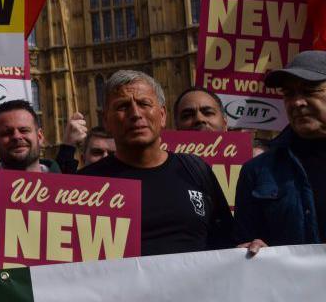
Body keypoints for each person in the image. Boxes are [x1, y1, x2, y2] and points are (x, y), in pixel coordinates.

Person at [81, 70, 235, 256]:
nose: (135, 114)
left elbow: (227, 243)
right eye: (122, 106)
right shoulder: (84, 187)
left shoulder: (196, 170)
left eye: (144, 104)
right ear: (106, 120)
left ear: (162, 115)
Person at [235, 50, 326, 247]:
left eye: (310, 91)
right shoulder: (256, 171)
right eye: (288, 93)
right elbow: (244, 243)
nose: (297, 102)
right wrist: (253, 251)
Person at [0, 99, 59, 172]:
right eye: (7, 133)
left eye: (24, 130)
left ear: (39, 137)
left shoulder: (67, 182)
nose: (17, 136)